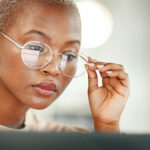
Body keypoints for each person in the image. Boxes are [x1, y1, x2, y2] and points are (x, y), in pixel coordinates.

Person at [0, 0, 130, 132]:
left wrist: (107, 125)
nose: (54, 69)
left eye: (69, 55)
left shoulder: (70, 141)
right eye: (36, 48)